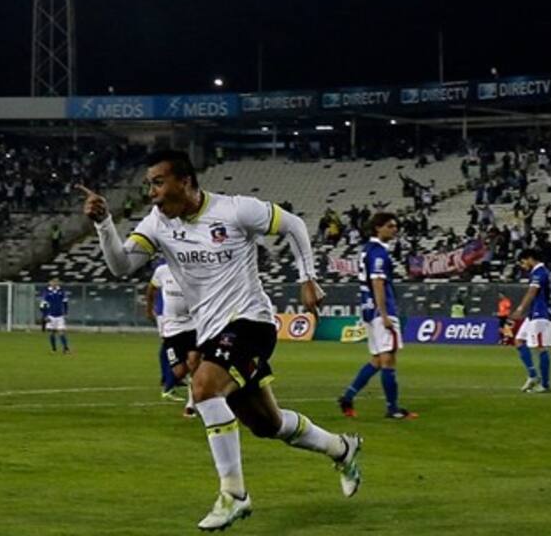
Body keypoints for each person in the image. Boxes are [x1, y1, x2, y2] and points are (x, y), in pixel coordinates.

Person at [78, 150, 362, 531]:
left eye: (158, 183)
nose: (152, 193)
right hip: (212, 332)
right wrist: (104, 224)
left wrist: (306, 278)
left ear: (185, 181)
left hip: (252, 321)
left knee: (203, 386)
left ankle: (234, 494)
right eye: (149, 185)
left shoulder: (234, 211)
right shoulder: (158, 223)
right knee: (268, 424)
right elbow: (121, 265)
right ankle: (342, 448)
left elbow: (293, 224)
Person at [338, 213, 418, 420]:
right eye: (390, 226)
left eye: (395, 226)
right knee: (388, 359)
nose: (394, 229)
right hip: (381, 310)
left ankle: (348, 397)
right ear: (378, 228)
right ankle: (393, 409)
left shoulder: (367, 250)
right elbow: (378, 282)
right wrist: (384, 314)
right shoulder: (379, 252)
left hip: (368, 309)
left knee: (377, 360)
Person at [146, 258, 199, 417]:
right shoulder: (162, 271)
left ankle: (191, 405)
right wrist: (149, 309)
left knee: (193, 362)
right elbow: (151, 289)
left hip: (194, 326)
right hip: (172, 329)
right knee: (179, 371)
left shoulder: (197, 271)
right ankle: (172, 383)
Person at [510, 249, 551, 393]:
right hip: (533, 314)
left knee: (540, 347)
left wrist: (520, 308)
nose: (523, 266)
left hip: (540, 313)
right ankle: (533, 375)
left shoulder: (540, 272)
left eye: (523, 262)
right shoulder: (537, 272)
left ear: (529, 258)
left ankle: (545, 385)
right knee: (519, 341)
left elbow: (532, 292)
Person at [40, 277, 70, 353]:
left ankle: (65, 348)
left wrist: (66, 312)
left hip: (60, 315)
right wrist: (45, 315)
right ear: (50, 283)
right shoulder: (46, 292)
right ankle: (54, 349)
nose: (55, 283)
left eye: (56, 282)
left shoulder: (61, 291)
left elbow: (65, 302)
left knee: (61, 332)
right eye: (53, 282)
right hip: (50, 315)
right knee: (52, 333)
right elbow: (43, 305)